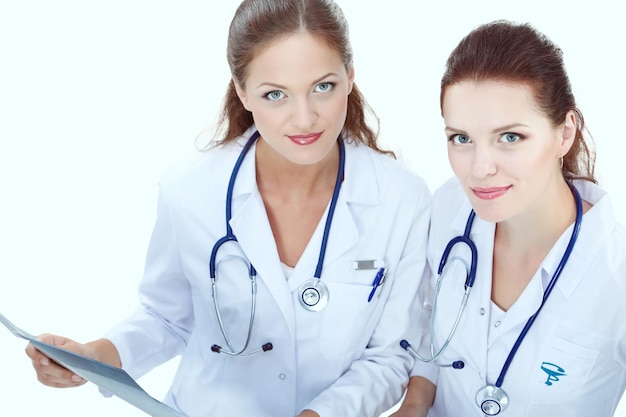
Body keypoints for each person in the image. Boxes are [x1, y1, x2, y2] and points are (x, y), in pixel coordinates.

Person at [25, 1, 432, 416]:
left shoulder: (403, 200)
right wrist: (92, 358)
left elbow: (389, 355)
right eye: (276, 94)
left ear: (350, 76)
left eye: (323, 87)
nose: (305, 117)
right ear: (241, 91)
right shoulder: (190, 189)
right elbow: (166, 317)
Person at [392, 20, 626, 417]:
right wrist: (413, 404)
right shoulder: (449, 207)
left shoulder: (614, 268)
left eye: (510, 137)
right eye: (461, 138)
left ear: (564, 134)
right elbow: (431, 322)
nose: (480, 169)